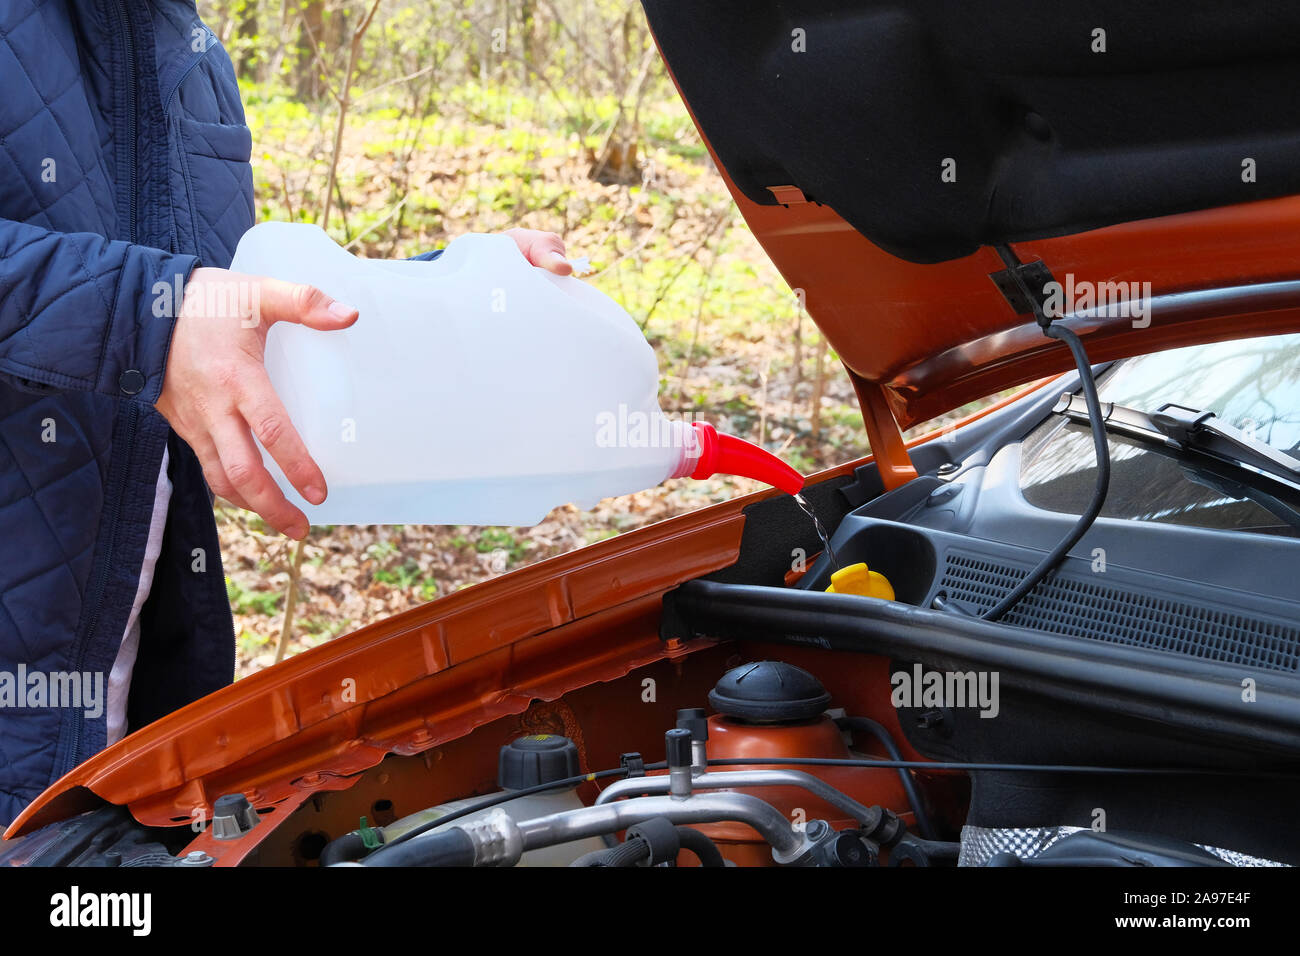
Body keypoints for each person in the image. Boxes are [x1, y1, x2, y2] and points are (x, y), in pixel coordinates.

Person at [0, 1, 569, 828]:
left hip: (114, 750)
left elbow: (229, 312)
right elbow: (158, 310)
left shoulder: (181, 47)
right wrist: (149, 321)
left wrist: (455, 292)